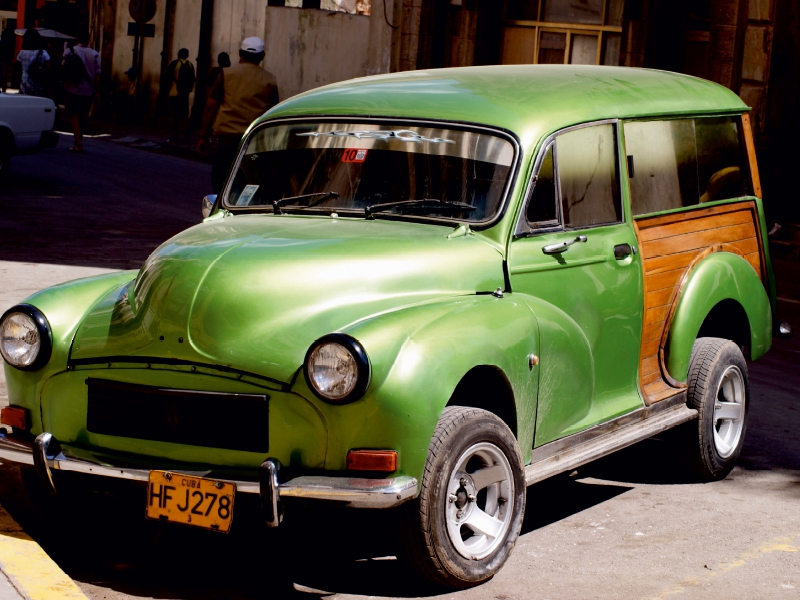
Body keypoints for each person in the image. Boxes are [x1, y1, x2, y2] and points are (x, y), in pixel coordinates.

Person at [198, 37, 279, 194]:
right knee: (248, 183)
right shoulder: (270, 80)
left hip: (227, 141)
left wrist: (203, 136)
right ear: (262, 57)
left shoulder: (226, 74)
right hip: (255, 141)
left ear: (240, 54)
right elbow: (273, 113)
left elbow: (210, 107)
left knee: (221, 182)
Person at [61, 30, 101, 153]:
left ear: (77, 39)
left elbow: (63, 68)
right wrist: (98, 90)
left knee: (74, 115)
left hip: (71, 88)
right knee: (83, 116)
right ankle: (79, 141)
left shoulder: (69, 51)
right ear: (89, 39)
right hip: (87, 90)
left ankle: (78, 142)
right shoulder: (94, 54)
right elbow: (98, 74)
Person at [164, 48, 195, 143]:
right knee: (184, 115)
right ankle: (186, 135)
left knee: (174, 115)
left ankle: (175, 136)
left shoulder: (174, 64)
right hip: (184, 94)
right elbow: (193, 79)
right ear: (187, 55)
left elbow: (167, 76)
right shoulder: (190, 65)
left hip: (174, 92)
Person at [17, 29, 50, 97]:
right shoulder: (43, 53)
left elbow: (18, 67)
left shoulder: (21, 53)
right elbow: (49, 67)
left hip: (24, 82)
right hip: (38, 82)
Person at [0, 25, 15, 93]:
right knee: (4, 75)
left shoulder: (2, 42)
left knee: (2, 75)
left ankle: (3, 88)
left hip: (2, 60)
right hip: (5, 61)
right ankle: (3, 88)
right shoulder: (9, 43)